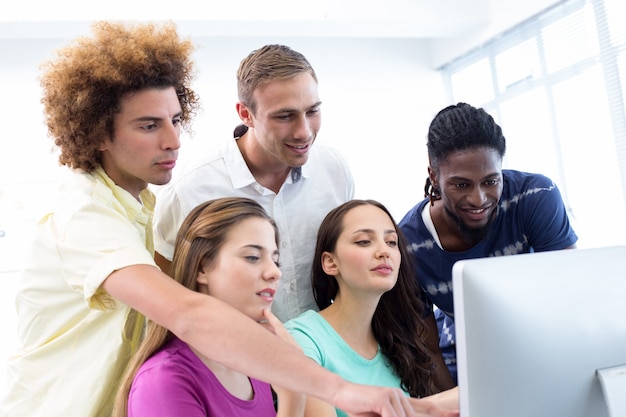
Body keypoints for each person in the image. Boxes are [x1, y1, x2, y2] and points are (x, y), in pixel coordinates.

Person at [0, 20, 450, 417]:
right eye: (149, 126)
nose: (174, 140)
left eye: (176, 119)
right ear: (99, 131)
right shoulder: (85, 214)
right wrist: (339, 389)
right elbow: (186, 313)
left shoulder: (137, 204)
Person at [152, 44, 354, 323]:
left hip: (322, 352)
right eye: (285, 116)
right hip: (232, 358)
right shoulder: (190, 189)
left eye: (312, 111)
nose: (304, 131)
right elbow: (166, 296)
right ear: (245, 114)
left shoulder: (333, 170)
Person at [398, 102, 578, 383]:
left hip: (541, 345)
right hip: (464, 363)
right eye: (461, 185)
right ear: (434, 175)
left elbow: (571, 299)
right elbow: (428, 351)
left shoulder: (535, 196)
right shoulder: (407, 245)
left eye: (491, 181)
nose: (479, 199)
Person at [114, 197, 304, 416]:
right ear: (202, 268)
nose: (275, 272)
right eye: (253, 257)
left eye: (276, 260)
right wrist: (292, 400)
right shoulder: (163, 381)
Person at [285, 199, 459, 417]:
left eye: (391, 242)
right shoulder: (302, 338)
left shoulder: (398, 341)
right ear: (330, 263)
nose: (383, 251)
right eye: (364, 241)